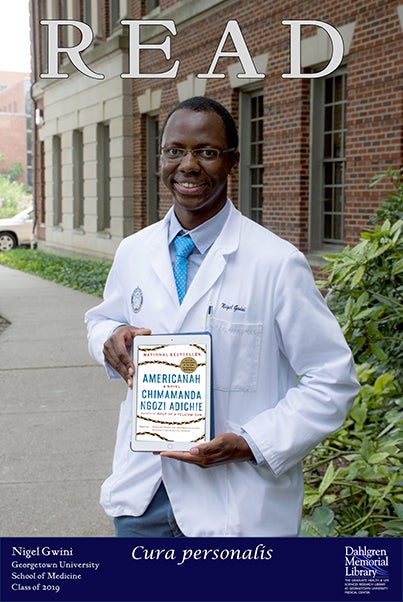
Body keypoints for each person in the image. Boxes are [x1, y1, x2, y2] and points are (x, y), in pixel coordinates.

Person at [85, 96, 359, 537]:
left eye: (206, 152)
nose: (188, 165)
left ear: (231, 161)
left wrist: (253, 443)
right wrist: (110, 336)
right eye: (175, 150)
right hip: (142, 499)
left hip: (235, 509)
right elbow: (101, 319)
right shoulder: (134, 252)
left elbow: (333, 380)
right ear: (161, 158)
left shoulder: (275, 263)